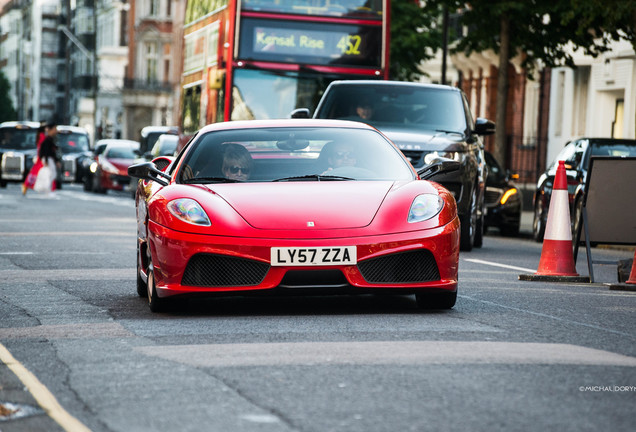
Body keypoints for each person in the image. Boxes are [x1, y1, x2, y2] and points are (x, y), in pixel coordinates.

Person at [22, 122, 48, 195]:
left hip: (40, 156)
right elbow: (42, 147)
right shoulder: (42, 135)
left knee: (35, 172)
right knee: (37, 172)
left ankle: (27, 185)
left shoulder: (39, 135)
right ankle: (27, 185)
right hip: (41, 157)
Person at [34, 122, 59, 195]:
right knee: (50, 174)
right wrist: (46, 159)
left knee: (51, 174)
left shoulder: (51, 138)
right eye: (55, 129)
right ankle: (47, 189)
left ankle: (48, 189)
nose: (56, 131)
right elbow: (46, 150)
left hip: (48, 158)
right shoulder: (46, 138)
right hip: (48, 159)